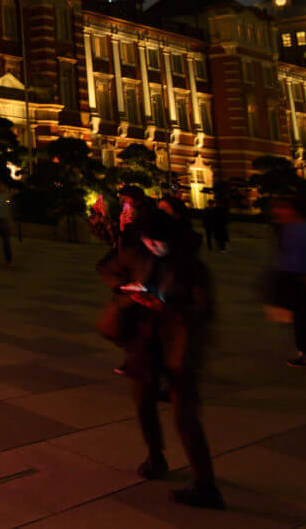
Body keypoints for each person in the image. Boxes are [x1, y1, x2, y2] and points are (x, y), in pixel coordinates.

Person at [98, 207, 223, 510]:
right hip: (145, 341)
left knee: (185, 416)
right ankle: (155, 456)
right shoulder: (137, 253)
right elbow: (106, 268)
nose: (154, 246)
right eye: (149, 240)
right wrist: (125, 289)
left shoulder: (192, 266)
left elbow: (205, 310)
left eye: (159, 241)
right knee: (143, 402)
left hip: (179, 343)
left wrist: (167, 307)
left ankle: (206, 484)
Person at [268, 196, 306, 370]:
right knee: (305, 317)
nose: (278, 211)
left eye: (283, 207)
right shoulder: (293, 227)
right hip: (296, 277)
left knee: (304, 319)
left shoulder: (302, 228)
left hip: (302, 278)